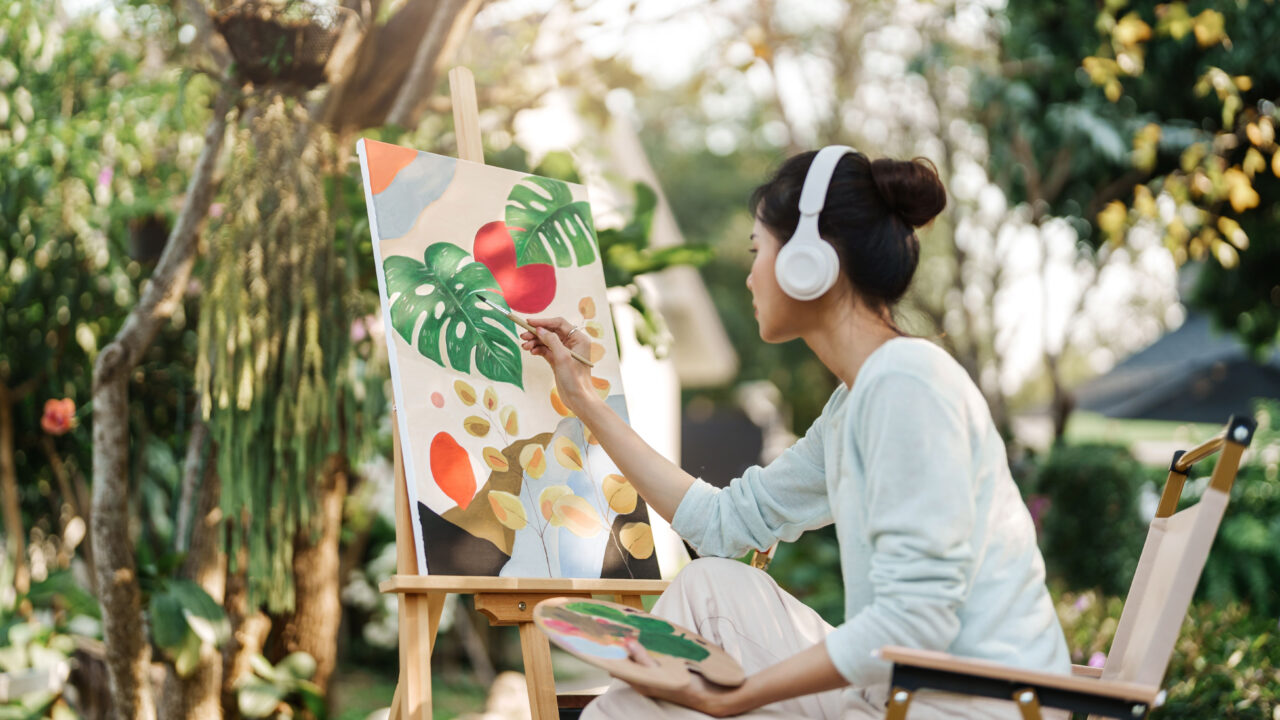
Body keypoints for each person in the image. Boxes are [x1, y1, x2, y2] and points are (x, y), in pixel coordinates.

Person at [521, 146, 1071, 719]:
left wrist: (734, 697)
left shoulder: (908, 385)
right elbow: (723, 525)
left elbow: (915, 621)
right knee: (709, 586)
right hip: (898, 694)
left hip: (961, 708)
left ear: (810, 261)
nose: (751, 272)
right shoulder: (858, 399)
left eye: (759, 250)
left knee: (665, 695)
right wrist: (585, 399)